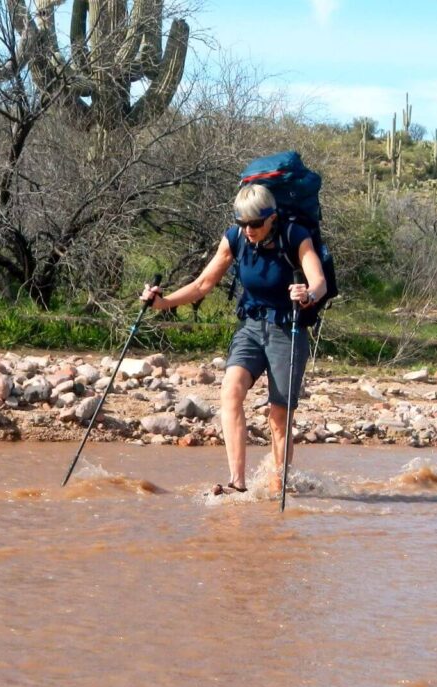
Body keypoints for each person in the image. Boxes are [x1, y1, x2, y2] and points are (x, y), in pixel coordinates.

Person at [140, 184, 328, 496]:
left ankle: (278, 483)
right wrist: (163, 302)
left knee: (278, 417)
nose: (248, 230)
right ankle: (237, 484)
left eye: (255, 224)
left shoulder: (294, 236)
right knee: (230, 391)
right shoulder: (235, 239)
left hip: (286, 329)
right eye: (243, 223)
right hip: (251, 327)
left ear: (271, 218)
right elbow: (202, 284)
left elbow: (318, 280)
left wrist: (307, 293)